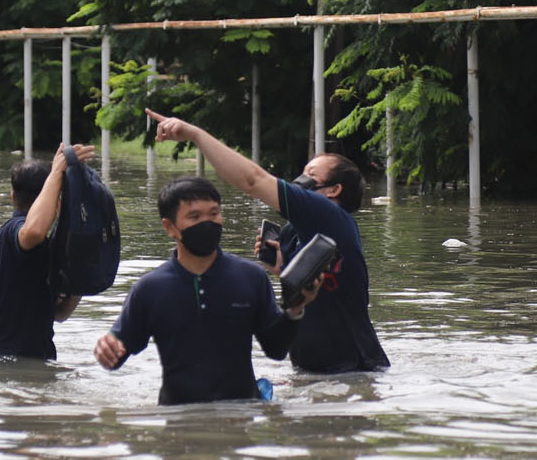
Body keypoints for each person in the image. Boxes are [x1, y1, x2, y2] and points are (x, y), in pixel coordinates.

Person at [144, 108, 390, 374]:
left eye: (311, 175)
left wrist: (196, 135)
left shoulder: (331, 215)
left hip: (355, 369)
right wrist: (285, 272)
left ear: (333, 190)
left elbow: (253, 180)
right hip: (313, 370)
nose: (300, 181)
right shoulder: (297, 233)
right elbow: (310, 302)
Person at [93, 176, 317, 404]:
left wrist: (295, 309)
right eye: (194, 217)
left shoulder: (251, 277)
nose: (208, 223)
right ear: (170, 227)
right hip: (178, 418)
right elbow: (117, 354)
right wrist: (107, 351)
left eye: (214, 214)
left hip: (241, 415)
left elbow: (276, 350)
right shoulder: (150, 288)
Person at [0, 143, 95, 359]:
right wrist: (57, 172)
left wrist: (82, 271)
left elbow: (60, 313)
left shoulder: (49, 248)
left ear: (12, 196)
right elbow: (34, 231)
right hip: (1, 360)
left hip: (39, 360)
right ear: (56, 202)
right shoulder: (12, 232)